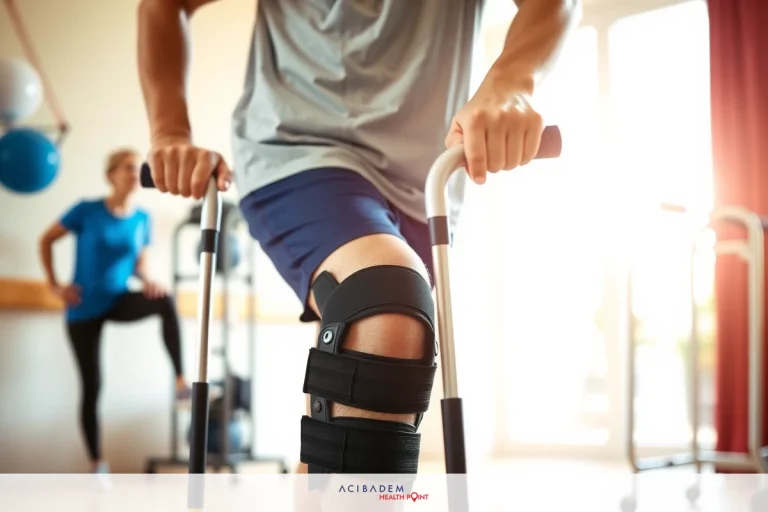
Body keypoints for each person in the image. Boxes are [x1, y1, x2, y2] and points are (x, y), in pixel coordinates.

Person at [137, 0, 581, 477]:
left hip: (427, 178)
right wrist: (169, 131)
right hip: (299, 150)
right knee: (384, 305)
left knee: (346, 405)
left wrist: (512, 83)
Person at [38, 148, 191, 473]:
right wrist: (55, 286)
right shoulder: (86, 210)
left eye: (138, 168)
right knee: (92, 385)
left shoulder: (142, 218)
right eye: (128, 168)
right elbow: (46, 240)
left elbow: (140, 265)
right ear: (111, 175)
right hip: (83, 307)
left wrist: (149, 281)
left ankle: (181, 381)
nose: (135, 174)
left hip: (118, 299)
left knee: (164, 300)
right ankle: (97, 463)